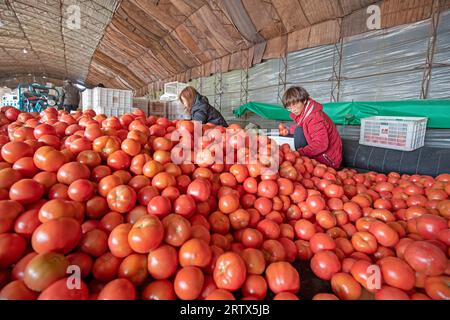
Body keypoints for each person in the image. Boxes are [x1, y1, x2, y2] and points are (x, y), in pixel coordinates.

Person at [282, 86, 343, 169]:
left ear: (304, 101)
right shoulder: (306, 112)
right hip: (325, 155)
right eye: (289, 108)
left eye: (295, 105)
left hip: (328, 159)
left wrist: (298, 153)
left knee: (299, 132)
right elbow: (304, 125)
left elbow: (320, 144)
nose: (293, 110)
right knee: (298, 130)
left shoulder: (314, 117)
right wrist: (288, 130)